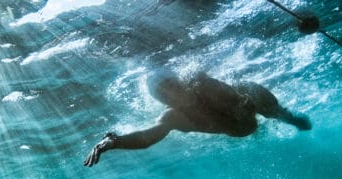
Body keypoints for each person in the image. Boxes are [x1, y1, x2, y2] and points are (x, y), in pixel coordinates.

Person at [84, 71, 311, 167]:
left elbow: (233, 92)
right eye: (163, 94)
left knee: (247, 86)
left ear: (180, 82)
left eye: (171, 86)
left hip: (244, 111)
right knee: (244, 91)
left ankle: (288, 118)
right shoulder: (174, 116)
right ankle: (273, 118)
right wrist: (115, 142)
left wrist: (241, 104)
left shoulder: (201, 83)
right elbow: (148, 138)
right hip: (240, 129)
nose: (171, 94)